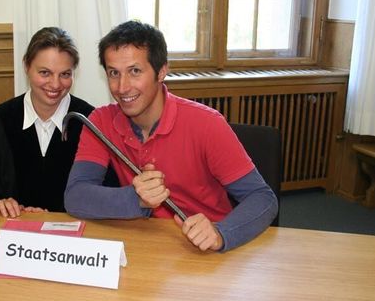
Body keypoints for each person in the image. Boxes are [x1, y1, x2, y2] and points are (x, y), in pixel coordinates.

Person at [65, 20, 278, 252]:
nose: (122, 87)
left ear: (162, 71)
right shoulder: (100, 121)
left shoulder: (207, 124)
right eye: (113, 73)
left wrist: (221, 233)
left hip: (205, 252)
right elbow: (75, 196)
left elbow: (262, 198)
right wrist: (136, 199)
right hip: (148, 245)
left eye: (135, 71)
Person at [0, 27, 94, 218]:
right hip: (12, 229)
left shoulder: (91, 122)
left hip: (73, 229)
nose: (55, 84)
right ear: (26, 66)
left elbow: (102, 191)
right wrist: (0, 204)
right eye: (45, 73)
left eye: (65, 74)